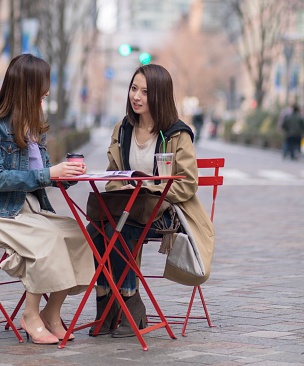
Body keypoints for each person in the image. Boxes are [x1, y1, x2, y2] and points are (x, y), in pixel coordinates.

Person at [0, 54, 94, 345]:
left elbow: (45, 175)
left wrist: (67, 174)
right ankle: (29, 314)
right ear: (27, 87)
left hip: (29, 211)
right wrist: (50, 173)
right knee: (48, 239)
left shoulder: (35, 128)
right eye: (43, 84)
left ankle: (52, 313)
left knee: (79, 235)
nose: (47, 91)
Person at [87, 64, 214, 338]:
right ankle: (105, 299)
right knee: (97, 229)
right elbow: (112, 175)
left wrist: (150, 191)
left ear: (159, 95)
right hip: (128, 208)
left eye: (145, 91)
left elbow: (188, 182)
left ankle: (130, 301)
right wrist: (122, 184)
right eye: (134, 88)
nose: (137, 96)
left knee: (114, 229)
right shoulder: (122, 129)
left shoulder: (176, 133)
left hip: (166, 213)